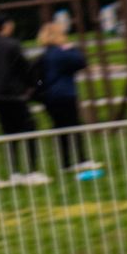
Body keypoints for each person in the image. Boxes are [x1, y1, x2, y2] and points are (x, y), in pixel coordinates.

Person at [0, 15, 46, 186]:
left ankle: (14, 171)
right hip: (14, 94)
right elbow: (24, 68)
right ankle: (32, 170)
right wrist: (33, 86)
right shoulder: (12, 44)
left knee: (8, 132)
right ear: (6, 26)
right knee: (29, 128)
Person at [34, 20, 95, 173]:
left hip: (50, 97)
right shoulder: (61, 53)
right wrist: (72, 48)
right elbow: (81, 62)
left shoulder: (45, 54)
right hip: (65, 94)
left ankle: (65, 162)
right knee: (74, 126)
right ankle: (81, 159)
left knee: (60, 129)